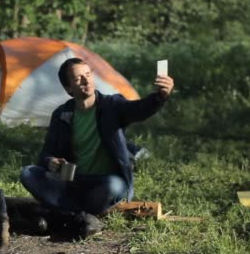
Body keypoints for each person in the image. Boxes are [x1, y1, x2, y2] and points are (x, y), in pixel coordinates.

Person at [20, 58, 174, 237]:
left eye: (88, 74)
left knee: (114, 186)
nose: (87, 81)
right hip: (75, 183)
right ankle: (81, 215)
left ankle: (65, 213)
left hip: (105, 183)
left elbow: (139, 109)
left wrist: (160, 96)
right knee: (28, 173)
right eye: (79, 78)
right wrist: (51, 162)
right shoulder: (62, 115)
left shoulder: (112, 105)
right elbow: (45, 155)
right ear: (69, 89)